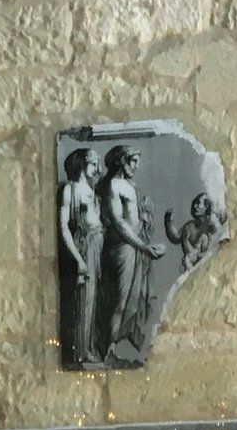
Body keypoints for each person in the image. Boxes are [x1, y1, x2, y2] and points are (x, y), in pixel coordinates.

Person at [94, 146, 163, 363]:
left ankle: (116, 346)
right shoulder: (113, 185)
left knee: (131, 300)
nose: (136, 165)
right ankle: (108, 349)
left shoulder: (129, 184)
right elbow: (119, 222)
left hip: (133, 246)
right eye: (132, 160)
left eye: (137, 160)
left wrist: (145, 218)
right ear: (121, 162)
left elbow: (132, 219)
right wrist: (143, 246)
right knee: (120, 301)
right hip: (122, 248)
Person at [58, 147, 100, 364]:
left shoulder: (91, 190)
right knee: (84, 299)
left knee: (94, 299)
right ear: (83, 164)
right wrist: (78, 258)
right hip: (83, 246)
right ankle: (81, 351)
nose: (97, 169)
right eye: (94, 164)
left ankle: (89, 347)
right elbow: (64, 227)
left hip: (96, 244)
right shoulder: (70, 189)